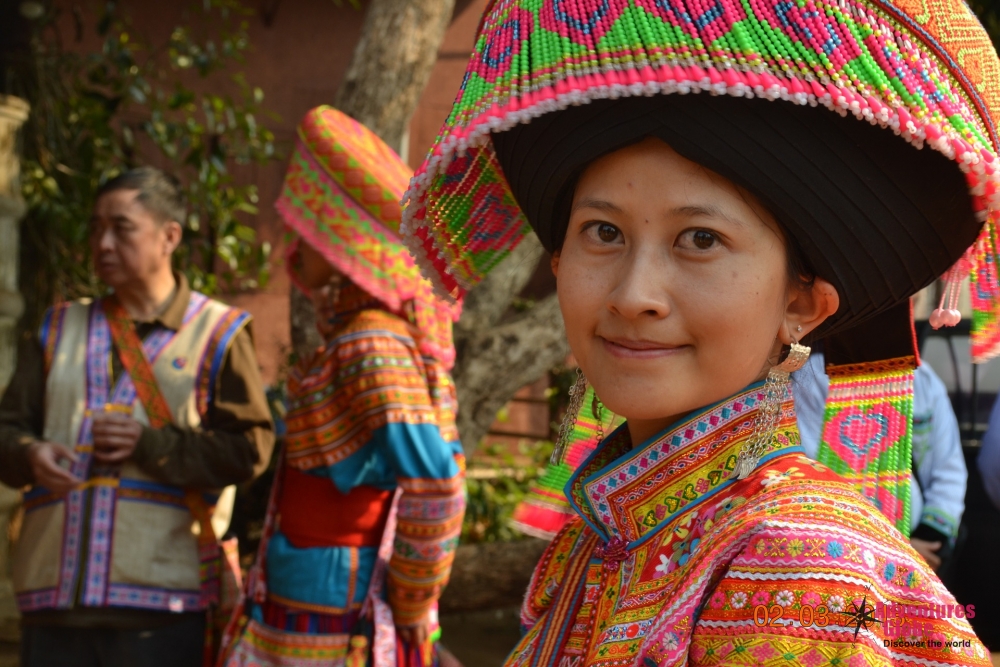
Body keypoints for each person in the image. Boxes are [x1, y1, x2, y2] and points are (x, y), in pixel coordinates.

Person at [399, 0, 999, 663]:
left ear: (803, 304)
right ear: (559, 261)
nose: (634, 295)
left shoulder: (802, 573)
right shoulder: (592, 544)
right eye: (604, 232)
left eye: (700, 238)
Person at [219, 107, 465, 667]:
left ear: (338, 242)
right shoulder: (359, 338)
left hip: (332, 598)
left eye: (306, 226)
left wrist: (407, 606)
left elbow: (437, 486)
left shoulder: (369, 345)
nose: (292, 240)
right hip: (312, 585)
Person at [0, 166, 275, 667]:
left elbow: (249, 450)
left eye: (121, 227)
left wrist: (151, 445)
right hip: (53, 602)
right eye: (95, 227)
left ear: (169, 236)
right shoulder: (58, 327)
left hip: (162, 608)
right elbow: (6, 432)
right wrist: (30, 454)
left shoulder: (218, 332)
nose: (102, 242)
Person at [793, 350, 967, 572]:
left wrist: (926, 541)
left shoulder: (923, 380)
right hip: (843, 556)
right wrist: (885, 550)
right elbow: (816, 473)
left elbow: (949, 471)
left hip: (919, 555)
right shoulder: (814, 377)